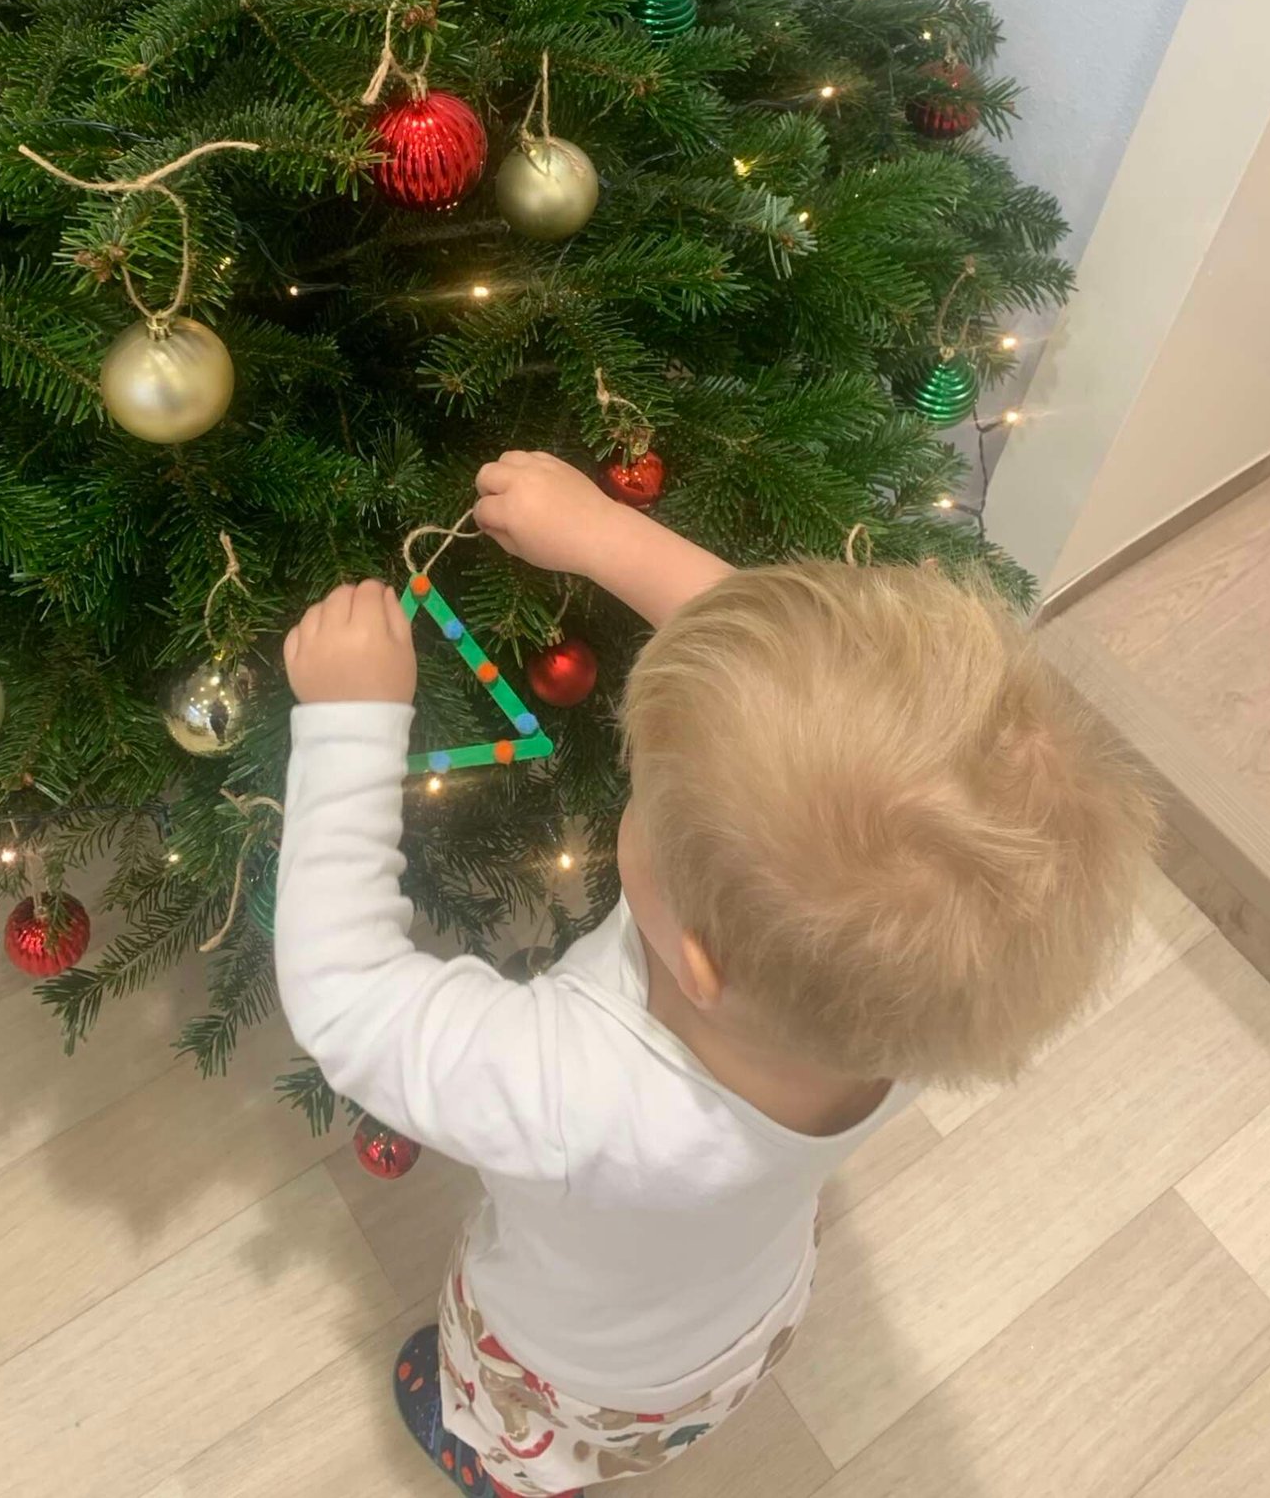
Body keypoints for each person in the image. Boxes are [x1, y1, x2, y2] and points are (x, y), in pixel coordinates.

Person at [275, 452, 1155, 1496]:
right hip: (742, 1321)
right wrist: (602, 534)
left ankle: (495, 1462)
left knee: (509, 1426)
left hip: (566, 1371)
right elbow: (789, 692)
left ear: (697, 959)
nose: (641, 787)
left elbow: (346, 997)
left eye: (647, 798)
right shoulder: (926, 999)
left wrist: (348, 722)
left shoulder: (579, 1096)